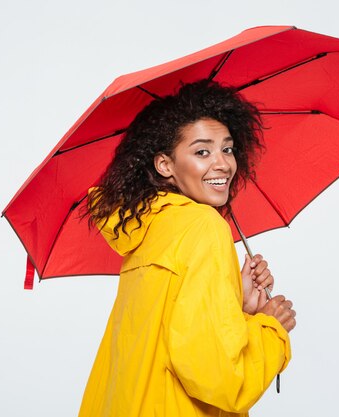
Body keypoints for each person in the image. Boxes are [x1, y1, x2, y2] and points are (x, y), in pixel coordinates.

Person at [79, 80, 296, 417]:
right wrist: (269, 329)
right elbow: (219, 379)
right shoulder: (203, 226)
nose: (223, 164)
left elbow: (166, 345)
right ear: (165, 165)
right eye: (201, 152)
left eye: (227, 148)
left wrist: (236, 306)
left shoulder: (150, 229)